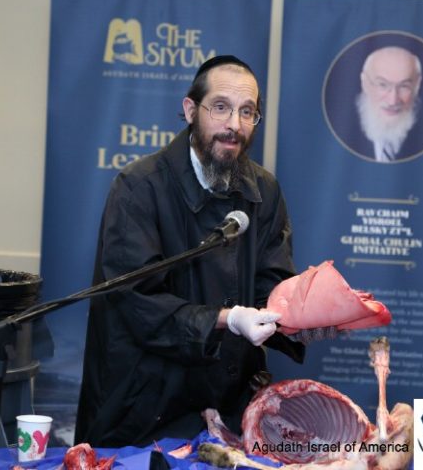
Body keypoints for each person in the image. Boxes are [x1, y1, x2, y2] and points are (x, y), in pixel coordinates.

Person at [74, 55, 306, 448]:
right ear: (190, 110)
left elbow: (273, 284)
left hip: (230, 407)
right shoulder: (138, 188)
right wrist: (228, 319)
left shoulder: (264, 191)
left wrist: (305, 314)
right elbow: (138, 303)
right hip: (145, 413)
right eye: (221, 107)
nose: (234, 125)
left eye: (247, 112)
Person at [354, 46, 422, 162]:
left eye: (404, 86)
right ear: (365, 83)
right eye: (382, 85)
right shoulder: (342, 131)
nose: (393, 101)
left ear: (417, 85)